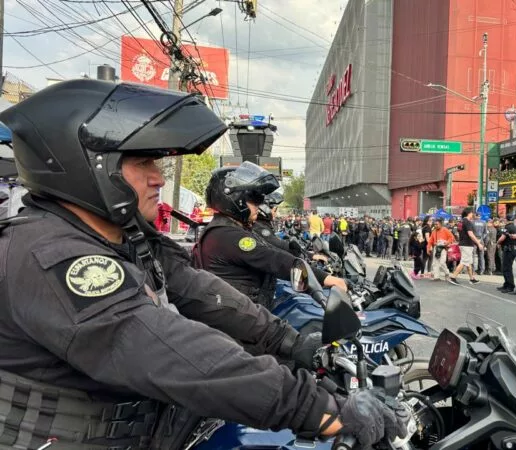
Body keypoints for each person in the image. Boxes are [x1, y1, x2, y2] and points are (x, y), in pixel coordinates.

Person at [0, 80, 403, 449]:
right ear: (85, 167)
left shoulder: (124, 238)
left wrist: (292, 342)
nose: (157, 179)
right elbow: (162, 347)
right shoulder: (50, 256)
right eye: (143, 164)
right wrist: (317, 409)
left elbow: (200, 290)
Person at [194, 164, 348, 310]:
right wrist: (327, 279)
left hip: (241, 313)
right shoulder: (228, 235)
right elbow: (273, 258)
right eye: (254, 200)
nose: (259, 205)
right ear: (233, 199)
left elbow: (273, 250)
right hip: (237, 326)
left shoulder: (227, 230)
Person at [449, 207, 483, 285]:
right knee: (464, 261)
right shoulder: (467, 222)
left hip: (463, 243)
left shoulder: (461, 221)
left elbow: (459, 233)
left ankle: (472, 278)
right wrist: (478, 243)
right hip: (467, 244)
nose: (473, 214)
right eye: (472, 213)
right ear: (469, 213)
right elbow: (470, 234)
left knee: (469, 262)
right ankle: (453, 277)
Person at [498, 215, 516, 293]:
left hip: (508, 249)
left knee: (507, 268)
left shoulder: (508, 227)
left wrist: (498, 242)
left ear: (507, 219)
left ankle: (510, 286)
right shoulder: (514, 227)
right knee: (506, 267)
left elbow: (502, 238)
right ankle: (506, 284)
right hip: (512, 249)